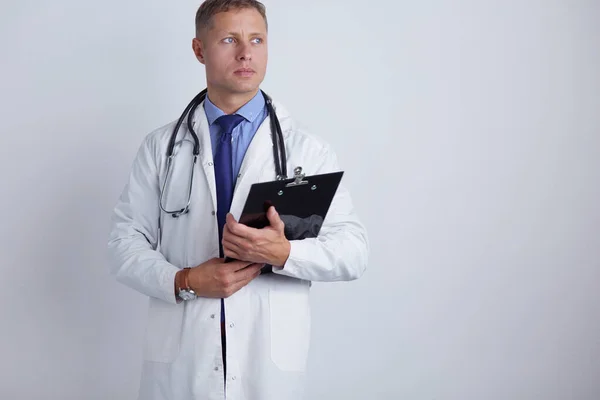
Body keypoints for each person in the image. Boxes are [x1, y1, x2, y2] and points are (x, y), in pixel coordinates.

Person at [107, 0, 369, 399]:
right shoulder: (161, 148)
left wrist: (284, 254)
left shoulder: (307, 151)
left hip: (267, 368)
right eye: (229, 39)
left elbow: (353, 252)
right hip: (184, 363)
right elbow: (123, 245)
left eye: (257, 39)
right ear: (199, 50)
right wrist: (186, 280)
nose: (246, 53)